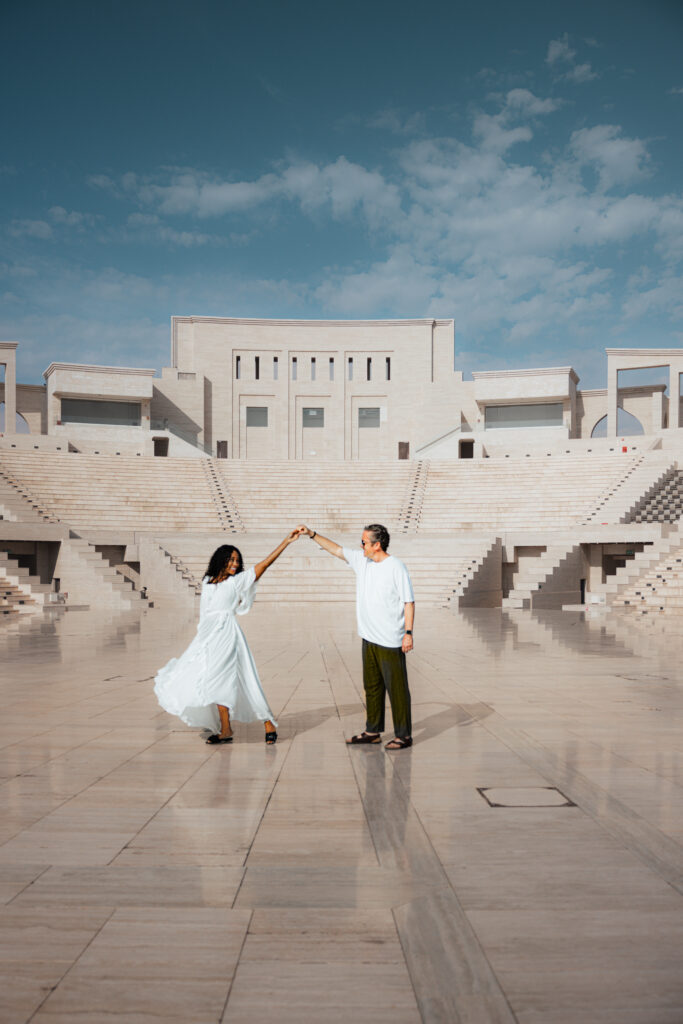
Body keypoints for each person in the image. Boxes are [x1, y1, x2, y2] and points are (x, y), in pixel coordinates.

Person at [154, 531, 300, 744]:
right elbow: (205, 611)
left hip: (226, 634)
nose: (234, 563)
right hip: (207, 635)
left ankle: (264, 722)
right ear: (220, 560)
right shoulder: (207, 581)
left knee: (226, 680)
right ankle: (226, 729)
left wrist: (285, 542)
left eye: (237, 560)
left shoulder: (237, 581)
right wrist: (201, 639)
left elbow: (264, 565)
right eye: (231, 559)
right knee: (209, 680)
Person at [297, 522, 415, 749]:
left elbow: (408, 602)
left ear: (376, 545)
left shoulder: (396, 567)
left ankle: (404, 735)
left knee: (397, 689)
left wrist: (408, 633)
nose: (360, 546)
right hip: (368, 637)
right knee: (372, 687)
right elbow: (336, 550)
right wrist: (311, 534)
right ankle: (373, 731)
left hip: (390, 639)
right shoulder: (363, 561)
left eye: (364, 542)